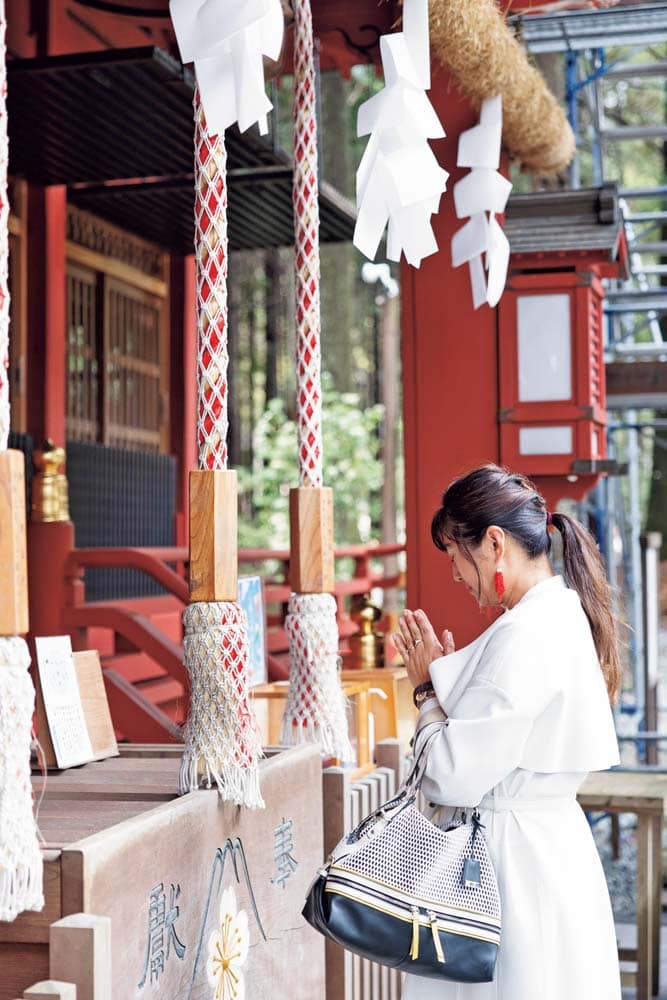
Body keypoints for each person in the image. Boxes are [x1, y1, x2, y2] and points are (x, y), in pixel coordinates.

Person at [393, 465, 622, 1000]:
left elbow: (451, 777)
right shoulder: (561, 615)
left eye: (455, 555)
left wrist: (427, 691)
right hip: (549, 848)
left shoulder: (524, 633)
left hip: (506, 865)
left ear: (493, 543)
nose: (453, 574)